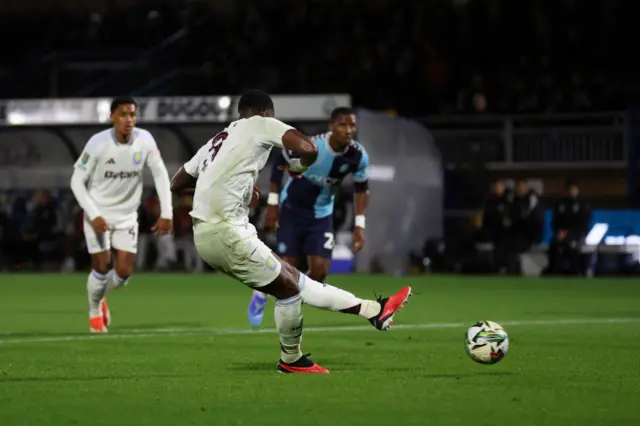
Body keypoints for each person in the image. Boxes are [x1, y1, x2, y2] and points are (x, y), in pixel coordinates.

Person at [170, 90, 410, 374]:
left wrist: (236, 187)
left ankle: (373, 311)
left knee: (296, 283)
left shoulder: (217, 140)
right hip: (226, 232)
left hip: (211, 232)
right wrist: (298, 165)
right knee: (292, 289)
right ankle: (294, 358)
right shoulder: (261, 123)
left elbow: (177, 183)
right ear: (267, 113)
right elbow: (309, 149)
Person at [247, 107, 370, 327]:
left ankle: (288, 305)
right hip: (292, 211)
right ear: (331, 127)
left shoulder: (358, 156)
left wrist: (359, 225)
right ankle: (262, 292)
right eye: (343, 124)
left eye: (352, 125)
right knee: (286, 270)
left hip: (321, 216)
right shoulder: (311, 146)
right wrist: (273, 205)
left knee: (320, 273)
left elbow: (362, 189)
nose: (348, 130)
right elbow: (279, 164)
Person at [70, 96, 174, 333]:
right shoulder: (97, 143)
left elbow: (160, 174)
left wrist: (166, 212)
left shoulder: (145, 140)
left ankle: (100, 297)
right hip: (98, 215)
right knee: (102, 266)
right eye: (123, 115)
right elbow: (76, 180)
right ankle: (94, 310)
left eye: (132, 115)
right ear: (112, 117)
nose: (129, 120)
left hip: (127, 216)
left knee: (124, 274)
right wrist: (93, 214)